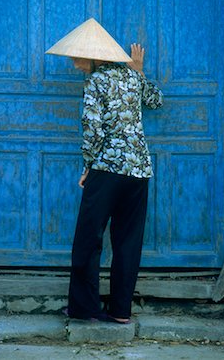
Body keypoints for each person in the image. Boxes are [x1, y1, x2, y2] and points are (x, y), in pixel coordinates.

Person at [45, 19, 163, 324]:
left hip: (107, 169)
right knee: (127, 240)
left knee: (88, 238)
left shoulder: (95, 83)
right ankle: (121, 310)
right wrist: (140, 72)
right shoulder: (133, 78)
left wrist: (87, 167)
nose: (73, 63)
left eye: (76, 56)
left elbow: (93, 131)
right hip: (138, 171)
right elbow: (156, 100)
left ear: (94, 56)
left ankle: (85, 309)